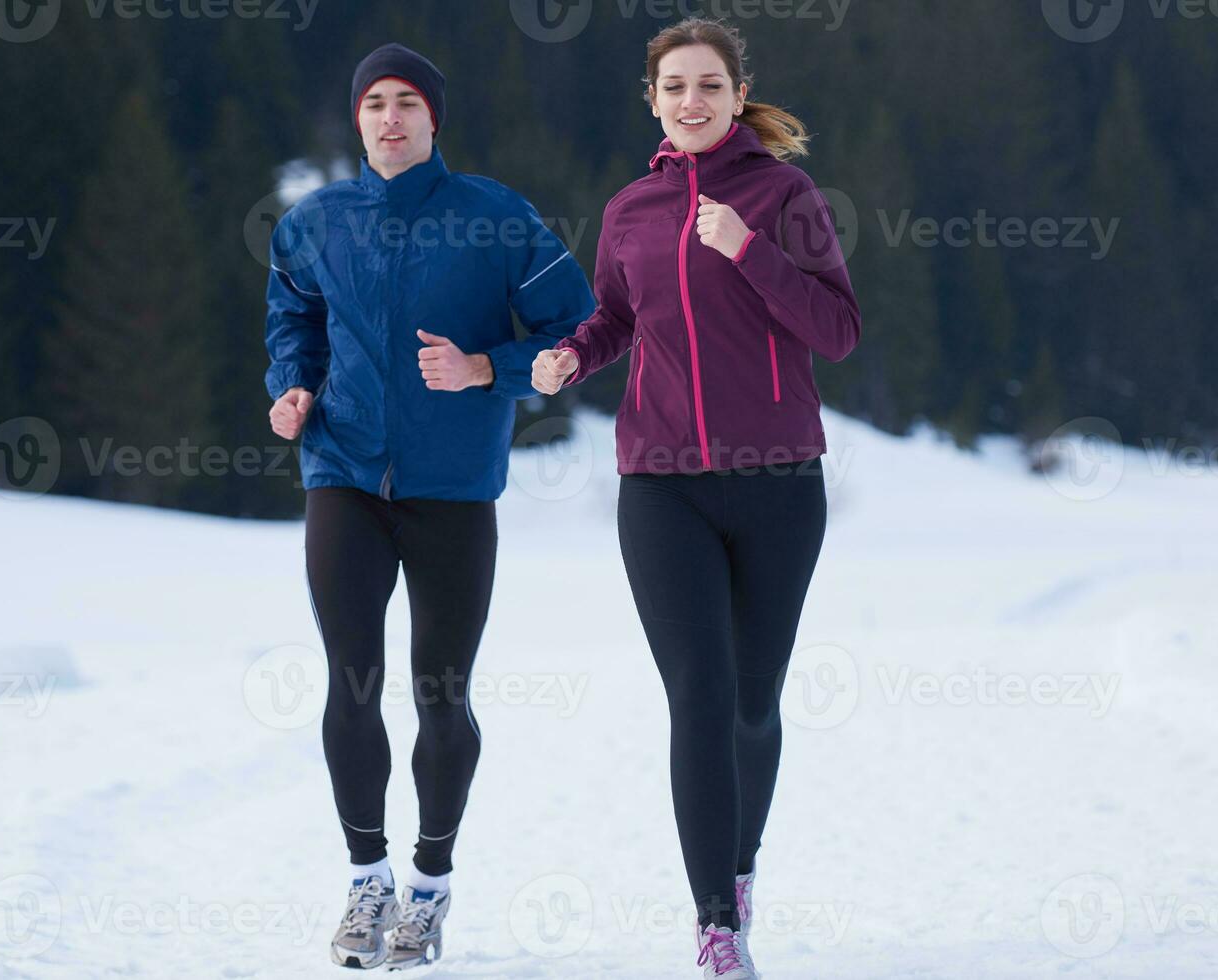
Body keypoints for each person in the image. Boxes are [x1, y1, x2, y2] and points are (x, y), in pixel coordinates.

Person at [530, 18, 861, 980]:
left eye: (708, 84)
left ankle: (740, 869)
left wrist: (749, 249)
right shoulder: (631, 206)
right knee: (699, 699)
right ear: (653, 100)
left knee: (753, 704)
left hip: (778, 485)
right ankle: (715, 923)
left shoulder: (784, 194)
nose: (691, 101)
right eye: (674, 86)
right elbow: (616, 317)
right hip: (660, 487)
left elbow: (836, 330)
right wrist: (571, 355)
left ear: (735, 92)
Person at [263, 41, 595, 971]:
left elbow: (581, 329)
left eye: (408, 101)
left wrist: (489, 368)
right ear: (358, 118)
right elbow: (289, 317)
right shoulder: (315, 223)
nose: (391, 118)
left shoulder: (497, 217)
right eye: (375, 103)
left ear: (433, 117)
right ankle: (365, 880)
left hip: (452, 490)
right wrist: (291, 388)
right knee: (351, 682)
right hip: (343, 477)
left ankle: (429, 888)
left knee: (441, 693)